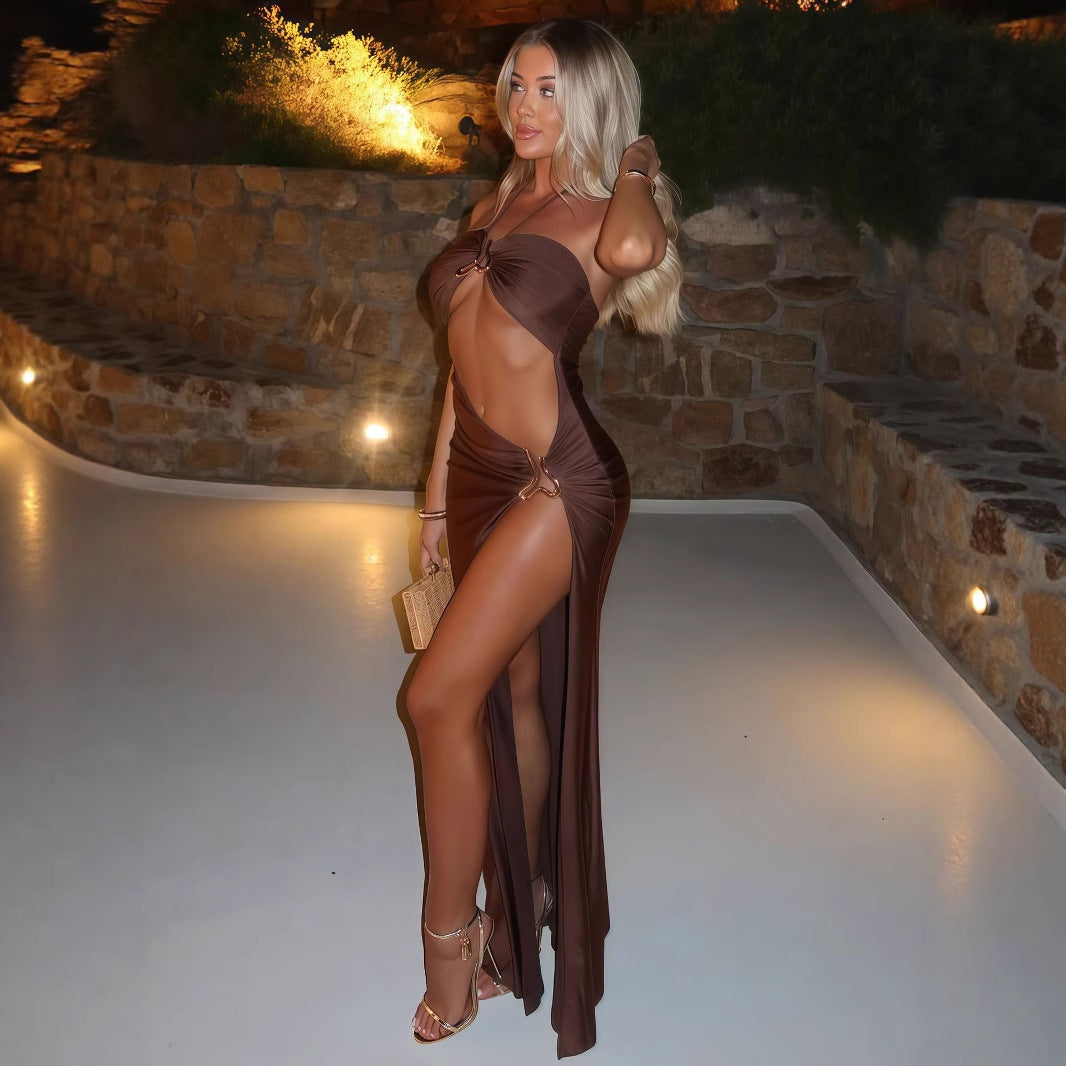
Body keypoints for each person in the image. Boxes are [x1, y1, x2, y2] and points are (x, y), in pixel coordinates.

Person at [405, 18, 682, 1058]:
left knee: (434, 698)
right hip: (479, 478)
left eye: (551, 90)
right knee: (513, 694)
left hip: (558, 484)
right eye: (516, 85)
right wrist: (435, 499)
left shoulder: (603, 217)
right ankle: (528, 896)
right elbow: (458, 365)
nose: (524, 106)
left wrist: (636, 160)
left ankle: (454, 945)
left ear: (593, 104)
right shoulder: (491, 207)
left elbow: (637, 251)